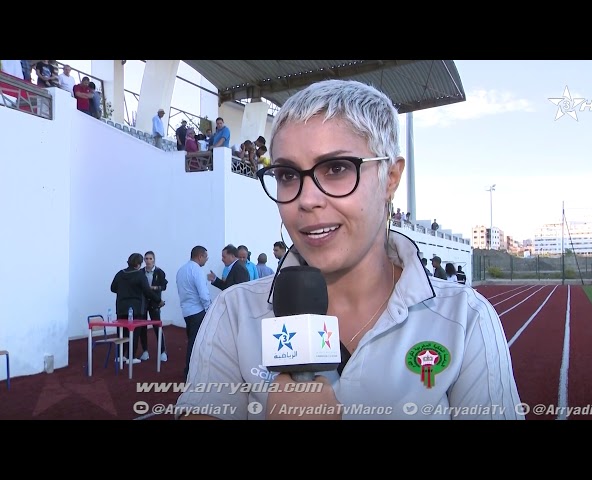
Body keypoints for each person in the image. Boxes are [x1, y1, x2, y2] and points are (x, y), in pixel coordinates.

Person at [175, 79, 523, 420]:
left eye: (337, 169)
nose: (307, 199)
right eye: (287, 175)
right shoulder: (234, 313)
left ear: (390, 178)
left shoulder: (465, 320)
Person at [110, 253, 162, 364]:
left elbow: (113, 288)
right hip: (135, 309)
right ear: (138, 264)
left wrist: (124, 291)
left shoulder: (120, 273)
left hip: (121, 308)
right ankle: (131, 356)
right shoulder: (139, 275)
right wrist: (158, 300)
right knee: (133, 333)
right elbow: (147, 291)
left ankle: (120, 356)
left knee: (121, 332)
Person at [176, 246, 212, 379]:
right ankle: (191, 372)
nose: (206, 260)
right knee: (197, 343)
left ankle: (191, 371)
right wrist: (209, 309)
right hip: (198, 311)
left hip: (187, 311)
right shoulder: (196, 271)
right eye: (206, 257)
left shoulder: (181, 270)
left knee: (192, 340)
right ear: (200, 256)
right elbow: (203, 294)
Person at [138, 251, 168, 362]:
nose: (148, 261)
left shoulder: (160, 272)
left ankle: (162, 351)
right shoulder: (140, 272)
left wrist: (153, 289)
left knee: (157, 326)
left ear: (154, 260)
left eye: (150, 258)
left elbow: (164, 286)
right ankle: (145, 351)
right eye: (146, 258)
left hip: (155, 302)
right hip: (143, 303)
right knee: (142, 327)